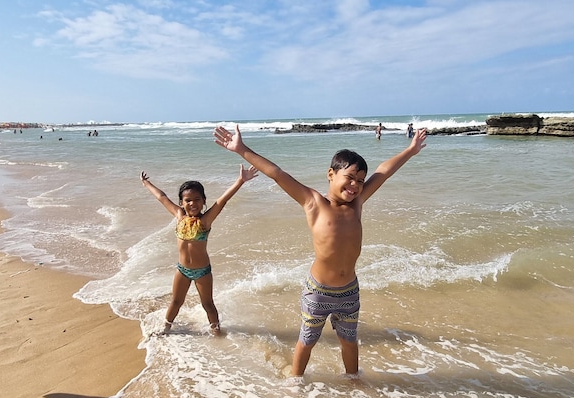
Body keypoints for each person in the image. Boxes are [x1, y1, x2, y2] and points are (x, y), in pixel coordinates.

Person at [213, 124, 428, 380]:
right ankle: (295, 381)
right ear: (331, 174)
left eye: (360, 181)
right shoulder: (313, 202)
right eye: (350, 177)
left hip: (349, 291)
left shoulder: (357, 204)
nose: (355, 185)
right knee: (308, 340)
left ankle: (353, 380)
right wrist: (242, 149)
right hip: (318, 291)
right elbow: (278, 174)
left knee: (349, 341)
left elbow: (383, 171)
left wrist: (410, 150)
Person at [141, 165, 259, 336]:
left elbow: (222, 201)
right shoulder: (179, 216)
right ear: (181, 203)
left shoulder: (205, 221)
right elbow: (162, 197)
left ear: (204, 201)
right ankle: (165, 328)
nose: (192, 203)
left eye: (197, 199)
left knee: (208, 304)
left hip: (202, 271)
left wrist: (240, 181)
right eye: (187, 200)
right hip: (182, 270)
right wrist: (146, 183)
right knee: (176, 301)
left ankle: (217, 333)